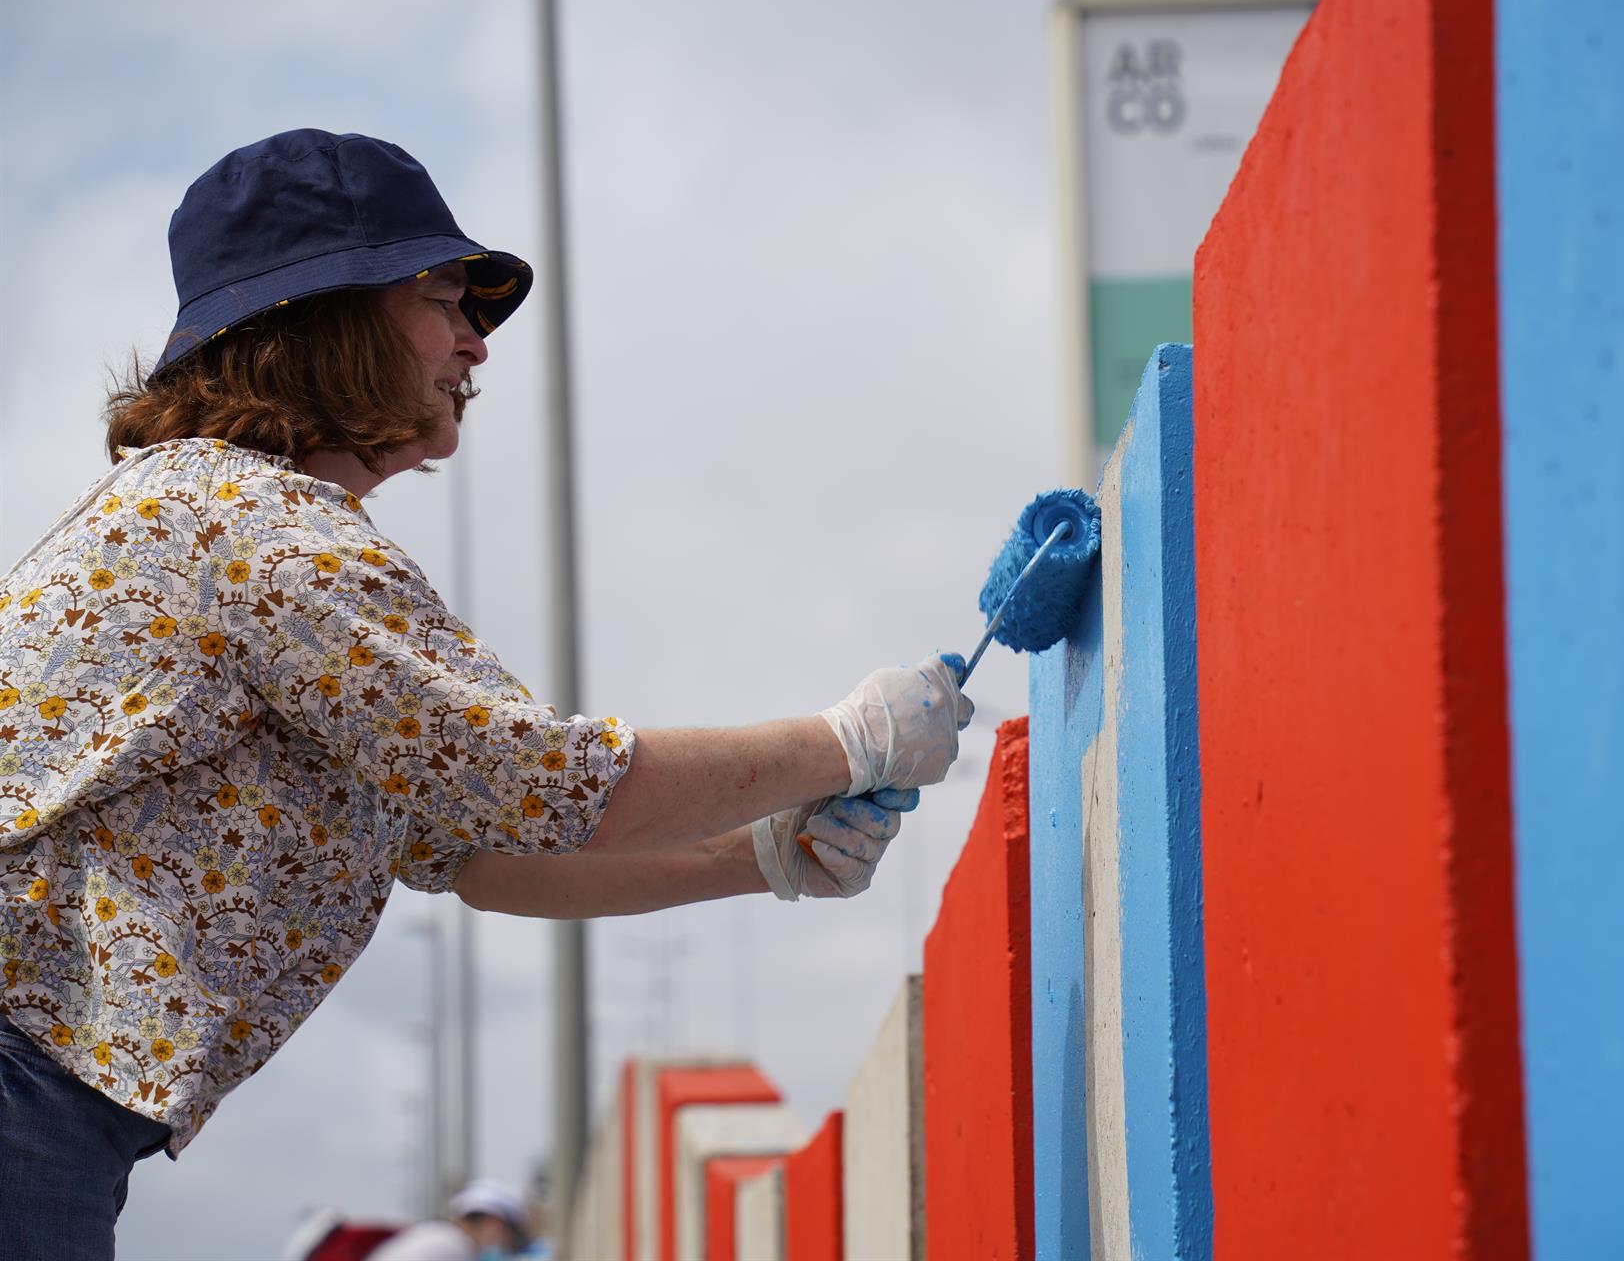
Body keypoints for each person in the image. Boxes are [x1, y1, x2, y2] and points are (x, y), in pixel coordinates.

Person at [0, 129, 971, 1259]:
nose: (477, 344)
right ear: (329, 315)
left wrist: (756, 857)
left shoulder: (222, 519)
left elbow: (478, 853)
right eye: (447, 298)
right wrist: (848, 742)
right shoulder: (261, 531)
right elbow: (528, 785)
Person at [363, 1180, 532, 1261]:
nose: (504, 1246)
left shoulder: (435, 1236)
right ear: (493, 1223)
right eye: (508, 1237)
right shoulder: (452, 1249)